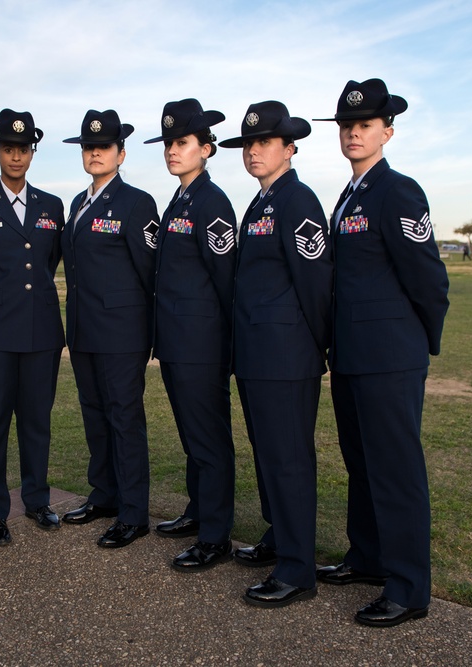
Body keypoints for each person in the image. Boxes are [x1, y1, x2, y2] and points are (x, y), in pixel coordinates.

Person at [313, 78, 449, 627]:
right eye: (346, 125)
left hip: (391, 355)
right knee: (362, 464)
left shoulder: (398, 191)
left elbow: (428, 279)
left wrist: (419, 341)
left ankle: (409, 588)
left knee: (395, 470)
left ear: (387, 131)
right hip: (351, 354)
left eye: (364, 125)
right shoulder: (350, 194)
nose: (353, 133)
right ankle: (367, 557)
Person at [219, 101, 333, 607]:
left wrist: (310, 347)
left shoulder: (297, 200)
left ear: (289, 148)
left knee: (287, 460)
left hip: (286, 356)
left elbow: (315, 283)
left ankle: (297, 570)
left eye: (264, 142)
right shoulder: (261, 201)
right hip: (258, 354)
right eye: (248, 144)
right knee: (268, 457)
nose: (253, 151)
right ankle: (279, 537)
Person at [0, 109, 66, 546]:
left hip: (40, 332)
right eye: (8, 148)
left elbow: (47, 263)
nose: (15, 156)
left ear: (31, 152)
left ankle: (37, 500)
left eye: (23, 149)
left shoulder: (51, 207)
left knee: (37, 421)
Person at [59, 110, 159, 548]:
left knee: (124, 419)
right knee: (95, 417)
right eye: (88, 147)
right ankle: (105, 495)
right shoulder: (78, 205)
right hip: (83, 333)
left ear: (121, 153)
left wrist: (148, 334)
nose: (95, 152)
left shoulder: (137, 203)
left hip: (122, 334)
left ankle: (134, 512)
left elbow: (150, 272)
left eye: (104, 146)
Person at [144, 99, 237, 571]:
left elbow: (225, 280)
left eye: (181, 143)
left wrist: (224, 344)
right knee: (192, 437)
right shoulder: (181, 198)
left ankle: (216, 535)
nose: (172, 151)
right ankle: (199, 511)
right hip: (178, 343)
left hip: (202, 345)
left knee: (209, 439)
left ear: (205, 148)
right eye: (168, 143)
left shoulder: (211, 201)